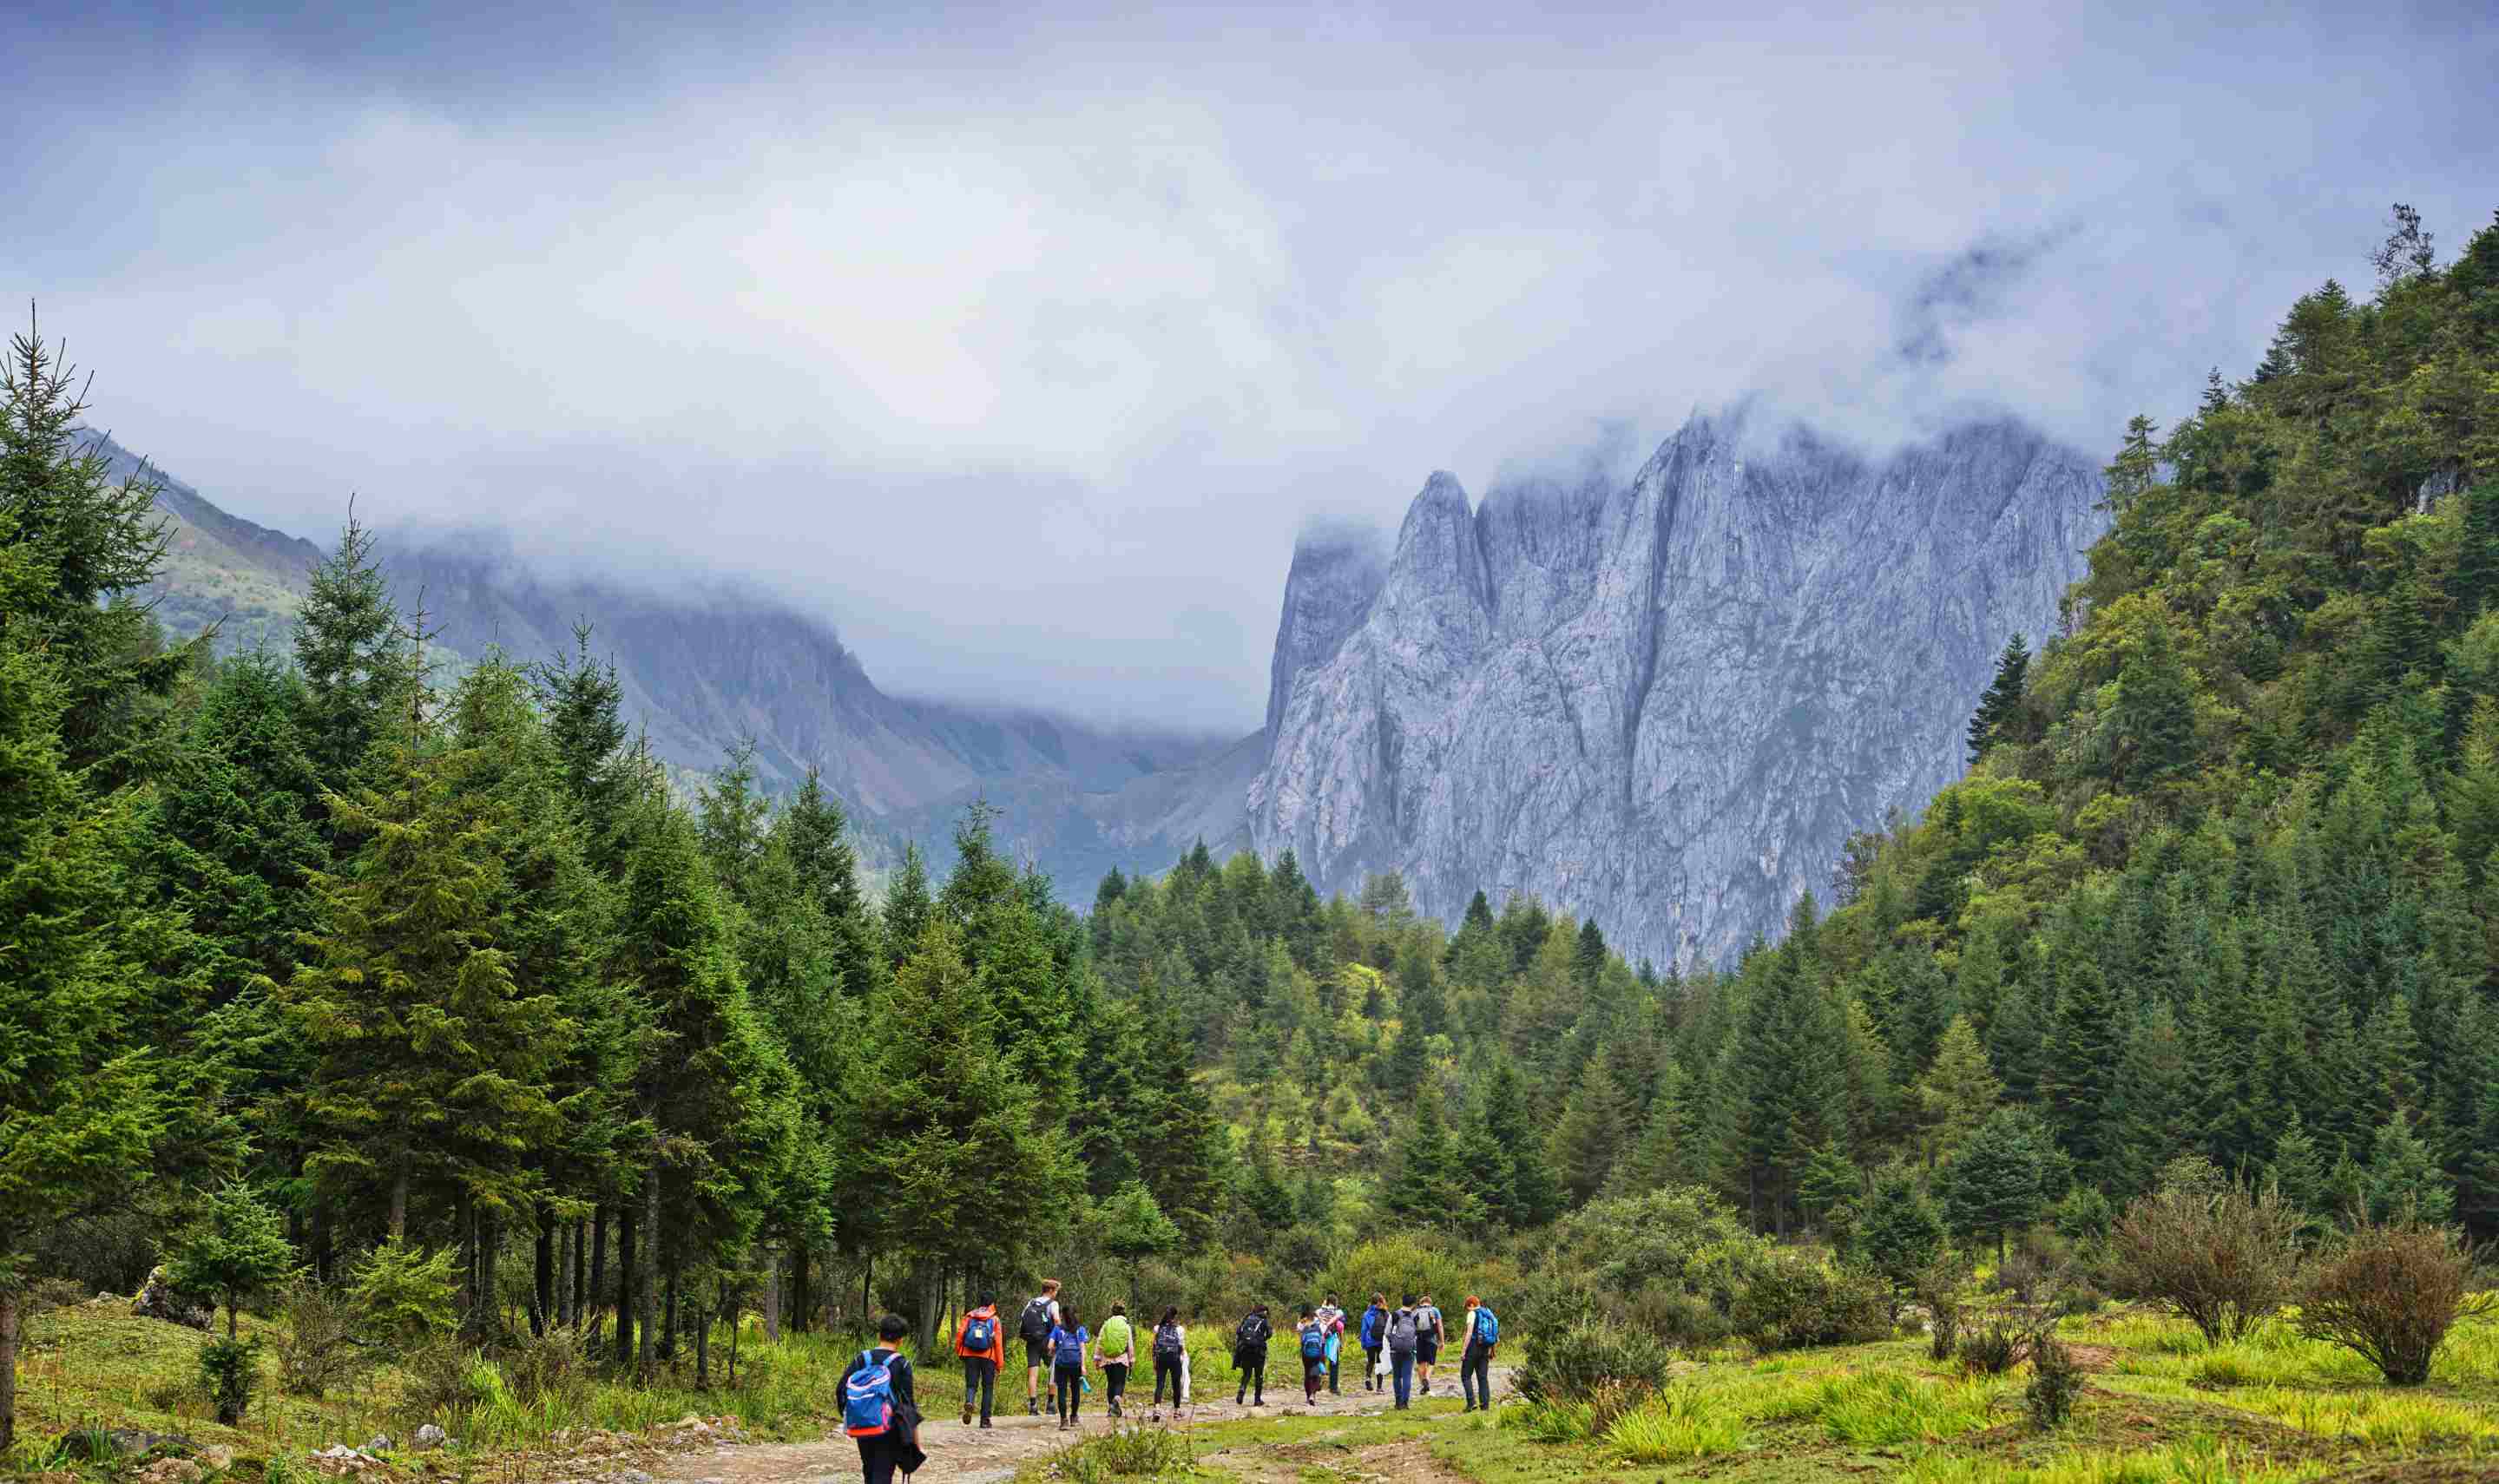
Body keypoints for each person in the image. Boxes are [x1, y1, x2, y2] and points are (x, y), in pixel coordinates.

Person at [841, 1314, 926, 1484]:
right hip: (889, 1428)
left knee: (869, 1470)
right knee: (882, 1475)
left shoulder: (861, 1359)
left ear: (879, 1334)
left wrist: (854, 1416)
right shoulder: (902, 1364)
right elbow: (908, 1405)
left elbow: (841, 1390)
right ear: (900, 1340)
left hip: (862, 1426)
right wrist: (916, 1441)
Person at [954, 1290, 1006, 1428]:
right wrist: (1000, 1364)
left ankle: (970, 1401)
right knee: (987, 1388)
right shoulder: (994, 1319)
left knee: (971, 1384)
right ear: (992, 1304)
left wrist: (959, 1351)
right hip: (989, 1357)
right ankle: (985, 1420)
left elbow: (960, 1334)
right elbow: (999, 1343)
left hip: (970, 1355)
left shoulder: (970, 1316)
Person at [1018, 1279, 1062, 1416]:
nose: (1056, 1294)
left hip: (1031, 1342)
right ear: (1050, 1290)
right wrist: (1060, 1334)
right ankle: (1050, 1405)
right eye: (1055, 1291)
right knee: (1053, 1371)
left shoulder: (1031, 1302)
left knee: (1032, 1374)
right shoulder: (1053, 1304)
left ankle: (1033, 1406)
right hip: (1047, 1342)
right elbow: (1056, 1320)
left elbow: (1022, 1319)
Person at [1048, 1307, 1090, 1429]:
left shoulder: (1057, 1329)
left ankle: (1063, 1420)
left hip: (1061, 1364)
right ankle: (1074, 1417)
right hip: (1076, 1364)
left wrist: (1054, 1350)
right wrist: (1083, 1365)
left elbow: (1050, 1346)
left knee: (1062, 1391)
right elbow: (1083, 1349)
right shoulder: (1080, 1329)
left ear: (1063, 1316)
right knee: (1075, 1390)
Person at [1095, 1302, 1135, 1420]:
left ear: (1112, 1311)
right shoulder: (1126, 1325)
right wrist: (1131, 1359)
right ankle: (1116, 1400)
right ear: (1123, 1311)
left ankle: (1111, 1408)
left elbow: (1100, 1342)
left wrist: (1097, 1358)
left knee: (1111, 1382)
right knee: (1120, 1382)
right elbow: (1130, 1344)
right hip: (1121, 1359)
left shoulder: (1106, 1324)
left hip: (1107, 1359)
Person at [1459, 1294, 1499, 1413]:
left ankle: (1471, 1403)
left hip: (1473, 1347)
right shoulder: (1488, 1313)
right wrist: (1492, 1350)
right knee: (1482, 1377)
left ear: (1471, 1305)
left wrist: (1463, 1350)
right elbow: (1495, 1334)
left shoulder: (1472, 1314)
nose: (1467, 1309)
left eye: (1467, 1307)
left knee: (1465, 1375)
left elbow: (1469, 1333)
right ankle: (1485, 1406)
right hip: (1485, 1348)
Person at [1148, 1306, 1188, 1421]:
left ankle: (1157, 1409)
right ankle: (1176, 1411)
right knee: (1176, 1385)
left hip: (1161, 1358)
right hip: (1174, 1359)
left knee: (1160, 1384)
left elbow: (1154, 1346)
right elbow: (1181, 1348)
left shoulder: (1157, 1328)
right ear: (1175, 1316)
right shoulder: (1180, 1329)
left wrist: (1154, 1362)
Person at [1233, 1303, 1273, 1407]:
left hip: (1245, 1349)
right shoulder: (1264, 1320)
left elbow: (1238, 1331)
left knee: (1247, 1374)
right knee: (1259, 1375)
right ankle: (1257, 1399)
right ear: (1264, 1312)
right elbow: (1269, 1334)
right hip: (1258, 1350)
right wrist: (1262, 1339)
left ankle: (1242, 1389)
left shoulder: (1247, 1318)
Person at [1386, 1295, 1421, 1409]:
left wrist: (1393, 1341)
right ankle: (1405, 1403)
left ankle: (1398, 1402)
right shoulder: (1415, 1316)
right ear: (1413, 1304)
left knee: (1396, 1376)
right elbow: (1418, 1332)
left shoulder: (1394, 1315)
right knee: (1407, 1376)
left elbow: (1387, 1332)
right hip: (1410, 1350)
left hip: (1395, 1350)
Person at [1314, 1294, 1347, 1395]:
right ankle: (1333, 1387)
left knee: (1319, 1361)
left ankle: (1317, 1384)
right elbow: (1340, 1327)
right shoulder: (1337, 1313)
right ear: (1335, 1303)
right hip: (1332, 1340)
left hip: (1320, 1339)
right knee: (1334, 1363)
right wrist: (1341, 1344)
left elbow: (1315, 1316)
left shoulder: (1319, 1312)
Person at [1415, 1292, 1444, 1396]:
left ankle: (1423, 1386)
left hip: (1419, 1340)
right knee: (1431, 1363)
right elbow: (1440, 1326)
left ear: (1421, 1303)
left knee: (1421, 1364)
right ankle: (1426, 1379)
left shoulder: (1416, 1311)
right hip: (1431, 1340)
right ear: (1430, 1303)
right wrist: (1442, 1341)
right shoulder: (1434, 1310)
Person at [1358, 1293, 1390, 1392]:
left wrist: (1363, 1343)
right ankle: (1379, 1387)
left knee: (1370, 1361)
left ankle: (1368, 1378)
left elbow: (1364, 1330)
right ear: (1381, 1301)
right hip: (1381, 1341)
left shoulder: (1367, 1314)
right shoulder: (1386, 1313)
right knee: (1380, 1362)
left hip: (1370, 1341)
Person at [1295, 1308, 1327, 1405]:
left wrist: (1302, 1320)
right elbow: (1325, 1327)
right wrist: (1320, 1318)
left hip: (1306, 1354)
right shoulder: (1319, 1327)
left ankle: (1308, 1396)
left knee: (1307, 1374)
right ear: (1314, 1317)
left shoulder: (1304, 1327)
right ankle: (1313, 1395)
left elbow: (1298, 1329)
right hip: (1318, 1353)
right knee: (1316, 1374)